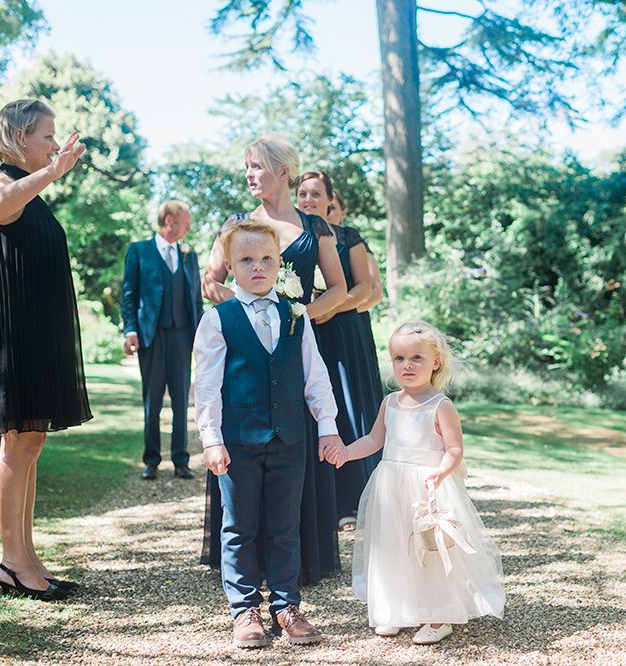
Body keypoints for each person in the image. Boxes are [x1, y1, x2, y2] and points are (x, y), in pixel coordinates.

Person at [200, 136, 347, 585]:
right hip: (247, 353)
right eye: (246, 166)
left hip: (297, 351)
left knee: (293, 454)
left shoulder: (314, 226)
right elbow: (210, 279)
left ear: (283, 171)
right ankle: (246, 565)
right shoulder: (237, 225)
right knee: (246, 454)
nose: (249, 174)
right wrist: (239, 309)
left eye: (257, 166)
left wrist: (298, 318)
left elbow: (339, 288)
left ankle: (296, 563)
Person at [194, 221, 343, 647]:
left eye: (266, 259)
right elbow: (206, 386)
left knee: (285, 525)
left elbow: (316, 377)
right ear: (230, 265)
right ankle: (244, 611)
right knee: (239, 526)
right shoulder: (217, 320)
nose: (257, 267)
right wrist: (212, 438)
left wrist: (327, 430)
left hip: (290, 438)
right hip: (238, 441)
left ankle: (286, 606)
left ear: (279, 263)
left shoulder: (296, 314)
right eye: (245, 259)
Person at [0, 99, 92, 600]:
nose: (54, 142)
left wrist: (50, 171)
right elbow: (0, 208)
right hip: (14, 340)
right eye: (47, 134)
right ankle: (13, 562)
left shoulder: (32, 192)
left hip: (39, 335)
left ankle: (27, 556)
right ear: (20, 137)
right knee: (16, 444)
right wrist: (54, 170)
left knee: (31, 444)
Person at [329, 321, 505, 643]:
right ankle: (395, 607)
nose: (406, 365)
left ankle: (439, 615)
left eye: (416, 358)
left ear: (435, 361)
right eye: (399, 358)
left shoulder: (441, 406)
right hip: (391, 486)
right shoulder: (390, 403)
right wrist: (345, 452)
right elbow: (372, 440)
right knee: (392, 546)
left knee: (430, 549)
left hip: (427, 488)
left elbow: (454, 449)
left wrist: (441, 470)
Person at [297, 172, 382, 531]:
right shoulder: (295, 236)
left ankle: (357, 498)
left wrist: (331, 307)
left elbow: (366, 289)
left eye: (316, 193)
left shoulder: (348, 238)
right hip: (305, 334)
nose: (309, 199)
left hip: (344, 333)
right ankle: (316, 501)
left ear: (330, 199)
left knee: (347, 410)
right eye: (302, 193)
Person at [121, 200, 203, 480]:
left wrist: (201, 337)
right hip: (151, 336)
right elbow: (129, 294)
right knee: (152, 402)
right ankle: (151, 460)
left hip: (182, 336)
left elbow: (195, 300)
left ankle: (181, 460)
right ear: (169, 221)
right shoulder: (139, 251)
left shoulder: (189, 255)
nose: (189, 226)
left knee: (181, 401)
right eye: (186, 221)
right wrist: (129, 329)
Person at [327, 190, 384, 416]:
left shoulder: (353, 242)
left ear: (342, 212)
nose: (326, 213)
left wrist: (338, 309)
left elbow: (375, 291)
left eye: (331, 208)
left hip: (352, 320)